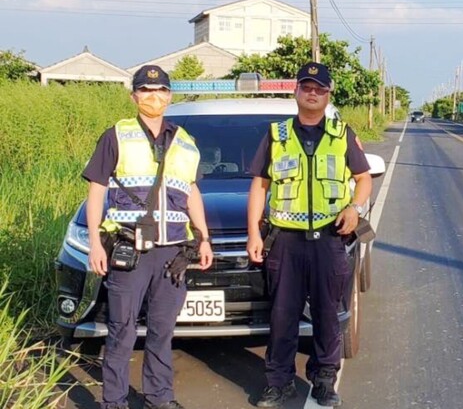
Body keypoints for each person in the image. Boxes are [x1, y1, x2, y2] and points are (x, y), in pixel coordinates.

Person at [84, 65, 214, 409]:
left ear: (169, 96)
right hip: (130, 251)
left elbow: (192, 192)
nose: (153, 97)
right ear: (134, 96)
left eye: (160, 91)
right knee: (121, 331)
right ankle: (114, 401)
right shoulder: (116, 135)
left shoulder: (185, 142)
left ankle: (159, 397)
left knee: (161, 332)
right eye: (145, 90)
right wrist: (95, 243)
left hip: (173, 253)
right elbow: (96, 191)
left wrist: (203, 238)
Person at [246, 62, 372, 408]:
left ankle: (324, 381)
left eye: (319, 88)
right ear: (296, 92)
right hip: (286, 241)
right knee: (282, 315)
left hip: (330, 240)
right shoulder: (277, 134)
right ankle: (278, 383)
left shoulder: (341, 134)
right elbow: (260, 184)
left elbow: (363, 178)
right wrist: (253, 233)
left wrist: (354, 209)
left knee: (327, 315)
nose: (312, 92)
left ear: (328, 94)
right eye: (306, 86)